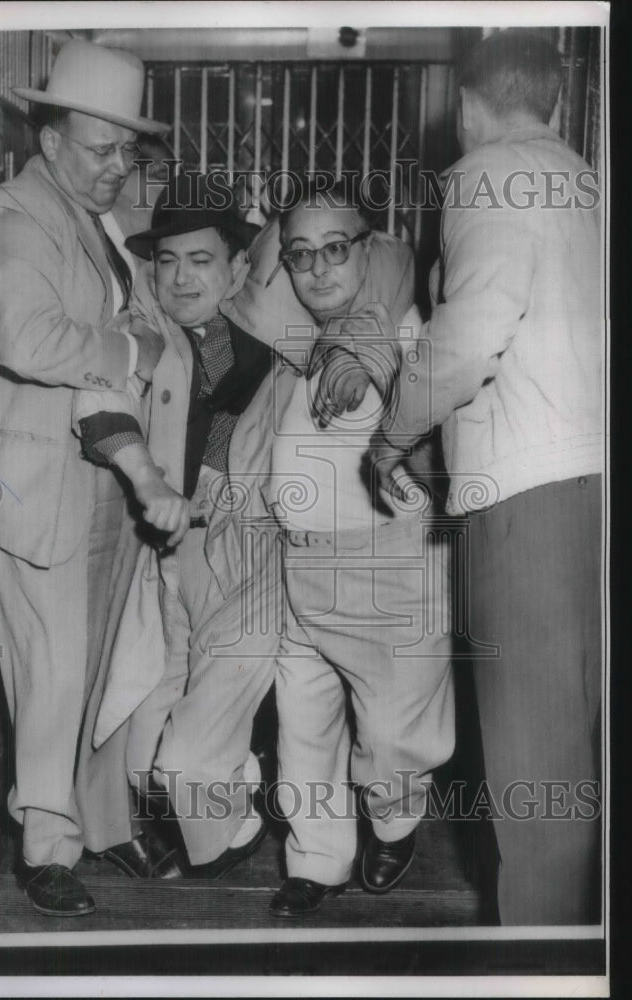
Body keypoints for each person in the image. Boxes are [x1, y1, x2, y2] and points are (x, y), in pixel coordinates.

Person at [366, 31, 603, 924]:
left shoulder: (488, 170)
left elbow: (465, 344)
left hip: (531, 508)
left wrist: (390, 439)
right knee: (590, 774)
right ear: (554, 97)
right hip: (601, 494)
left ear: (467, 106)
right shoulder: (588, 179)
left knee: (539, 793)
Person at [0, 40, 183, 918]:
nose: (114, 171)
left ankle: (94, 825)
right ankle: (44, 847)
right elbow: (27, 342)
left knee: (93, 668)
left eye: (124, 153)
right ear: (50, 139)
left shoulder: (90, 221)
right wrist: (133, 347)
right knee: (51, 674)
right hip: (33, 479)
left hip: (99, 474)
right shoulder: (18, 213)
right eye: (99, 151)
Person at [219, 182, 456, 917]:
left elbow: (406, 266)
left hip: (386, 565)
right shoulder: (295, 334)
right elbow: (256, 266)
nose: (318, 269)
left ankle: (393, 820)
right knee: (303, 727)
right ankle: (317, 858)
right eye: (301, 255)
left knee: (393, 730)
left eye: (336, 249)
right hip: (300, 563)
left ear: (368, 246)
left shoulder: (408, 331)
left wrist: (374, 345)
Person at [80, 173, 280, 876]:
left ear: (235, 271)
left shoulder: (256, 357)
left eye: (201, 261)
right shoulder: (147, 339)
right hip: (162, 567)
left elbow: (229, 437)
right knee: (137, 753)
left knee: (182, 759)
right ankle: (224, 791)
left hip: (237, 563)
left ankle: (241, 805)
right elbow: (101, 406)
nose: (181, 276)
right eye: (166, 261)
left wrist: (211, 495)